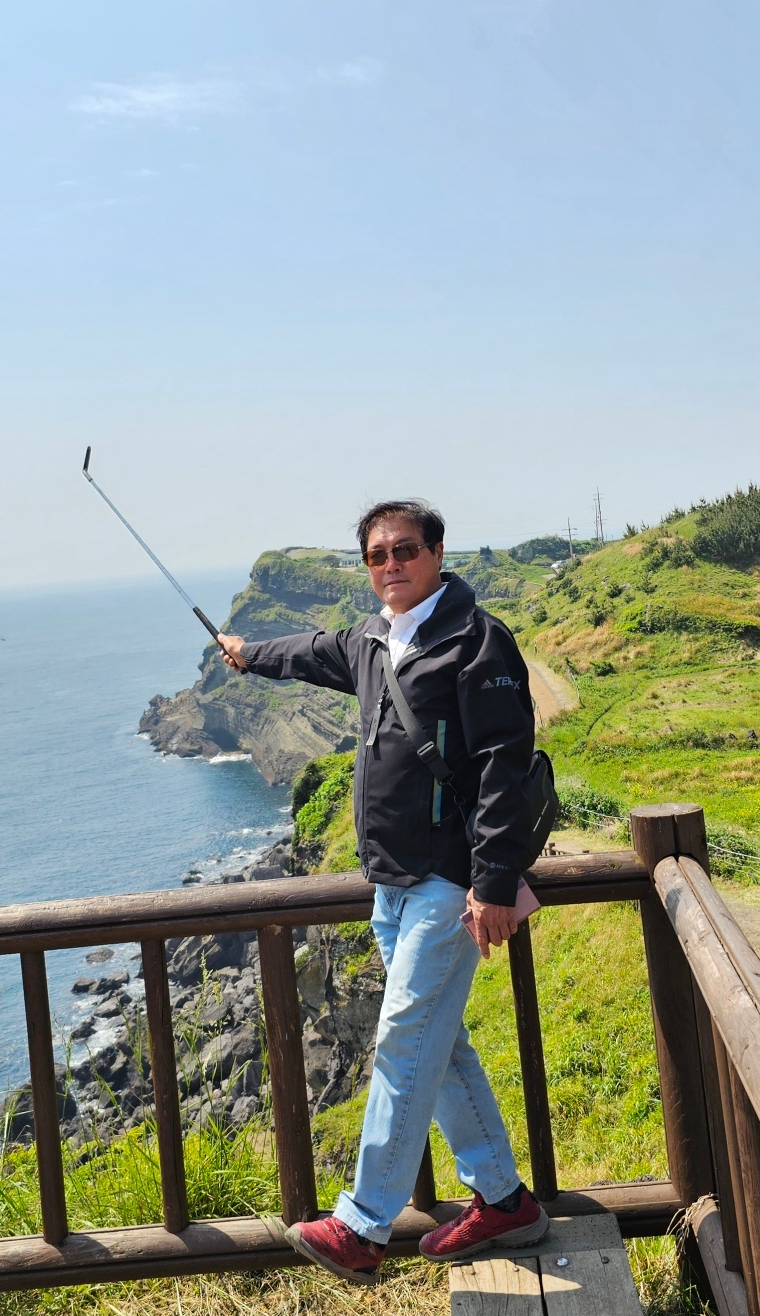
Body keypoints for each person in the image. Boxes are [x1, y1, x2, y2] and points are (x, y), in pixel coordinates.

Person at [216, 499, 547, 1285]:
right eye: (376, 555)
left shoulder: (476, 641)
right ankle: (504, 1200)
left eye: (405, 550)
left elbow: (505, 763)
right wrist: (246, 654)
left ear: (437, 552)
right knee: (439, 1042)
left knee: (403, 1041)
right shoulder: (370, 640)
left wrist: (492, 882)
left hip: (448, 884)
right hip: (391, 885)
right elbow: (307, 651)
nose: (391, 565)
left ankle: (363, 1226)